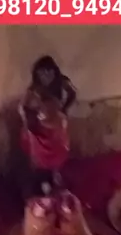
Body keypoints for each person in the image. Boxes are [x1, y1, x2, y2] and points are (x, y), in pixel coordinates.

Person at [18, 56, 77, 195]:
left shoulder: (62, 82)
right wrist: (28, 121)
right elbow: (22, 107)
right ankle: (40, 183)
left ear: (54, 71)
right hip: (40, 127)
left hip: (57, 127)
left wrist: (64, 109)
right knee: (39, 156)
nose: (46, 77)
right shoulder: (34, 88)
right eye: (42, 73)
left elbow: (72, 93)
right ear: (37, 74)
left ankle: (55, 174)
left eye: (48, 72)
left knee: (58, 152)